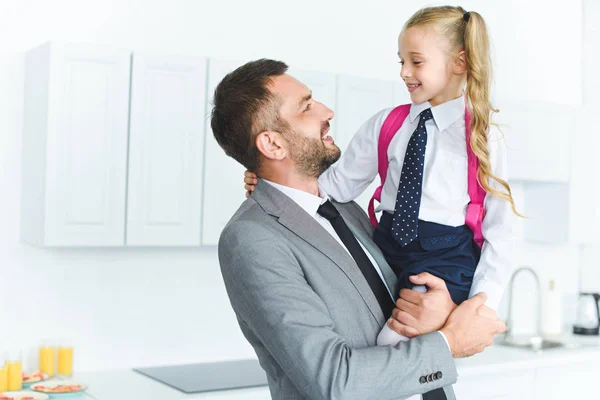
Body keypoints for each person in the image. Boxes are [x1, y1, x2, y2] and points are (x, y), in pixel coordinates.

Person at [212, 57, 506, 400]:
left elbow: (398, 297)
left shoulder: (345, 209)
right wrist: (449, 342)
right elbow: (336, 381)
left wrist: (444, 314)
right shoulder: (252, 239)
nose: (326, 111)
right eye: (306, 107)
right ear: (273, 144)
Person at [243, 5, 518, 347]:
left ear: (459, 63)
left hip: (442, 258)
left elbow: (501, 229)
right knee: (357, 328)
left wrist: (479, 305)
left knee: (390, 340)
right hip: (385, 245)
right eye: (401, 61)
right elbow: (336, 185)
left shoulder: (481, 136)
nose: (404, 72)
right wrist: (274, 185)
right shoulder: (387, 124)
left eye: (416, 61)